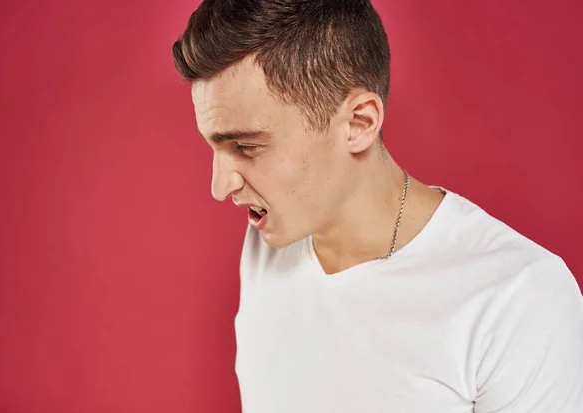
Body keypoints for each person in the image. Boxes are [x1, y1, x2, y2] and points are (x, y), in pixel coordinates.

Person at [172, 0, 583, 411]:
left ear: (359, 123)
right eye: (215, 145)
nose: (220, 186)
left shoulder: (521, 298)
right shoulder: (267, 243)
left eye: (245, 146)